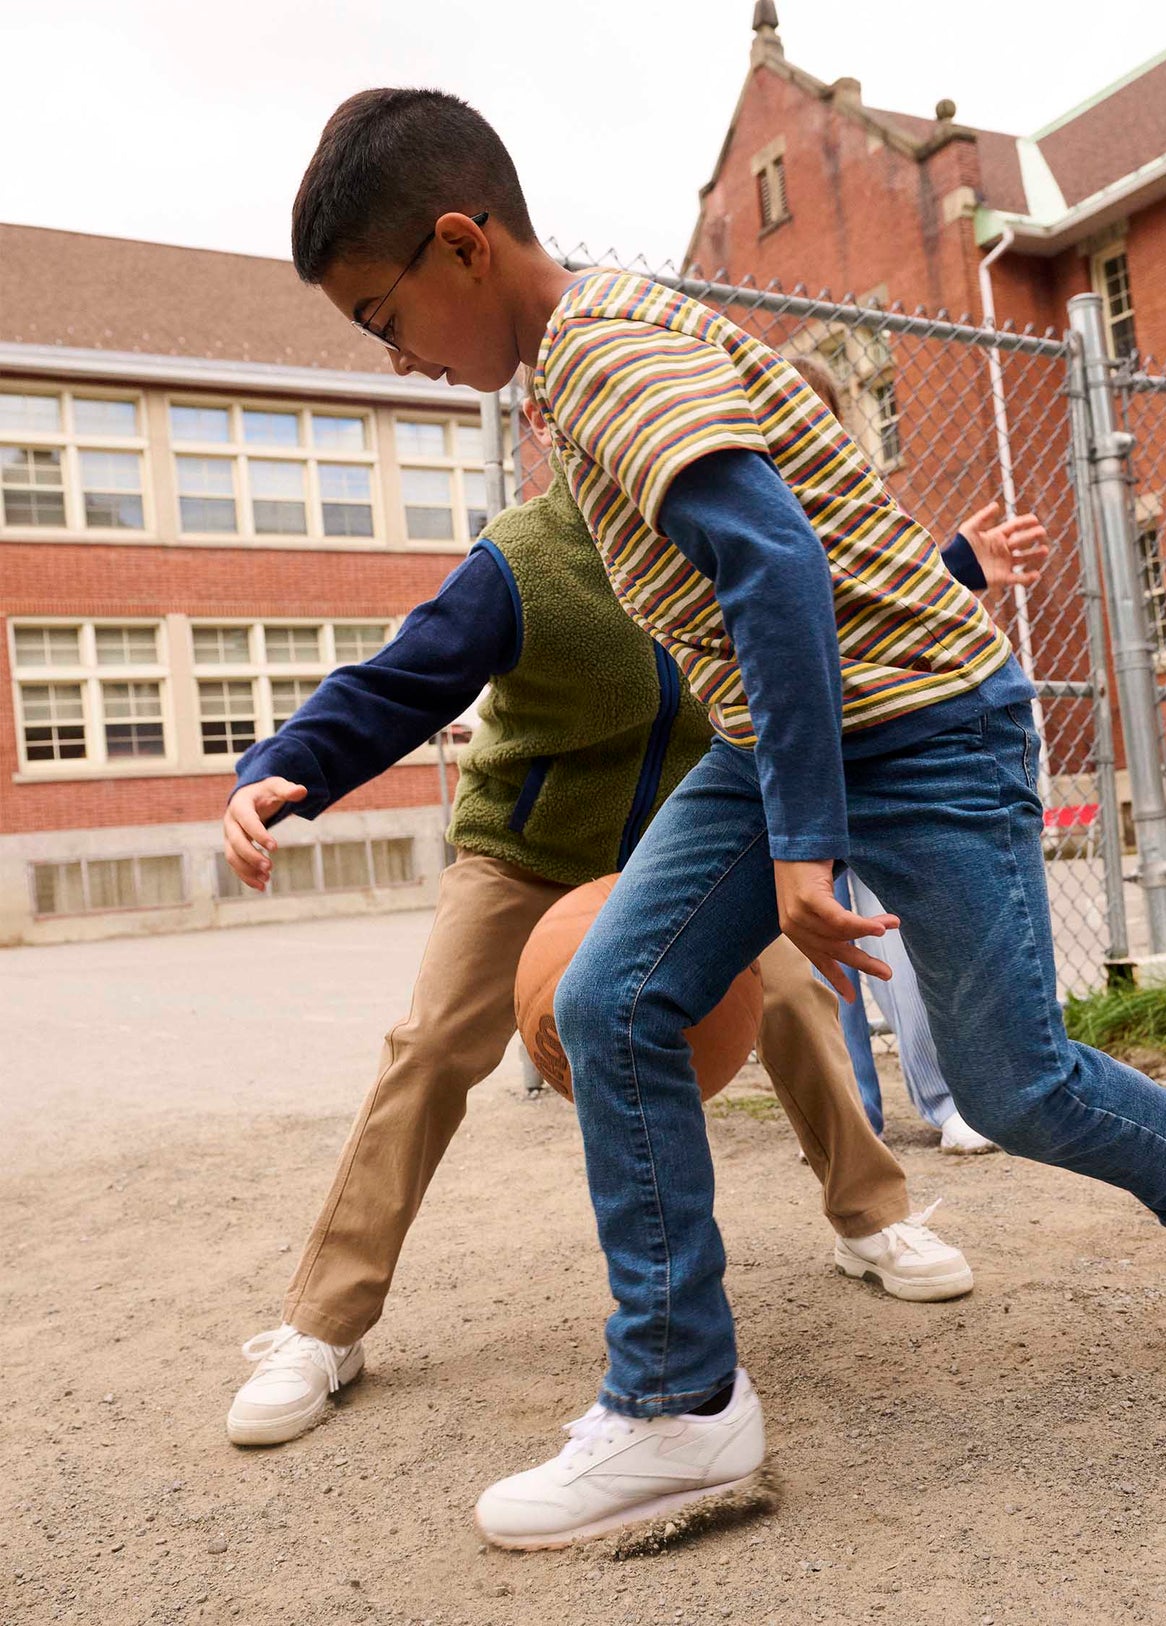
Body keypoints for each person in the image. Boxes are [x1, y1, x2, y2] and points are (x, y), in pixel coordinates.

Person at [289, 87, 1166, 1550]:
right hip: (790, 730)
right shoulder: (591, 352)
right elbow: (798, 527)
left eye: (385, 313)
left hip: (933, 727)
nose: (395, 354)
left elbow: (773, 566)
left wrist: (799, 846)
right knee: (615, 1001)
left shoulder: (596, 351)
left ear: (462, 245)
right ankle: (677, 1407)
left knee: (1013, 1083)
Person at [222, 396, 974, 1447]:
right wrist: (281, 771)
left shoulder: (735, 522)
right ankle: (322, 1325)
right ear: (557, 437)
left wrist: (961, 568)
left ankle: (872, 1217)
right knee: (433, 1043)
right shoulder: (523, 559)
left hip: (687, 840)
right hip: (528, 850)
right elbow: (397, 685)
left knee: (796, 991)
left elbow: (850, 621)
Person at [788, 357, 1047, 1155]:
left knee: (898, 933)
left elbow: (878, 605)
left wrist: (959, 568)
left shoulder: (848, 505)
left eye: (820, 416)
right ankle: (850, 1115)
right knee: (816, 944)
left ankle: (946, 1098)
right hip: (796, 765)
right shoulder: (732, 506)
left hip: (880, 750)